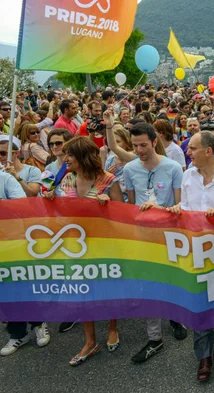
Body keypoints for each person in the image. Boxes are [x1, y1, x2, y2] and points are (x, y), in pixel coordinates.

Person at [166, 131, 214, 382]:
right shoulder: (188, 176)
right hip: (195, 251)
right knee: (200, 303)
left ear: (208, 151)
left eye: (192, 148)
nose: (187, 152)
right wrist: (178, 209)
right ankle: (204, 356)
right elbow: (187, 208)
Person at [42, 137, 123, 365]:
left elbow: (124, 217)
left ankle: (113, 327)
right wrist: (49, 198)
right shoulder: (64, 178)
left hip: (103, 245)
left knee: (107, 288)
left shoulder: (108, 180)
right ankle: (90, 341)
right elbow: (52, 205)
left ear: (83, 157)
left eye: (69, 155)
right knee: (82, 292)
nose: (65, 158)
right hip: (74, 247)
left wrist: (109, 206)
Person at [122, 121, 187, 363]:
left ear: (154, 141)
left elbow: (181, 206)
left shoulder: (173, 167)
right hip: (143, 236)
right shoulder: (129, 169)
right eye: (135, 145)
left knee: (171, 280)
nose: (139, 150)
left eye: (143, 145)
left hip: (168, 235)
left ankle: (176, 317)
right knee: (149, 285)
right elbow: (130, 206)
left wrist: (161, 209)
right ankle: (154, 338)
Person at [0, 169, 47, 357]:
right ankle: (17, 333)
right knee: (4, 291)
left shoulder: (5, 178)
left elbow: (23, 206)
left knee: (24, 285)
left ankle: (38, 323)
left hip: (13, 241)